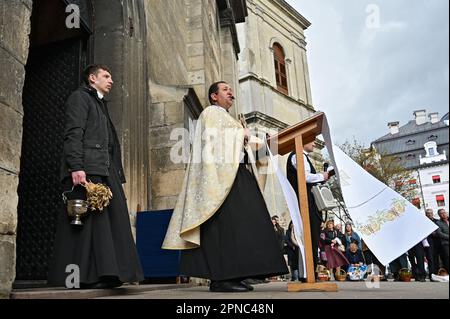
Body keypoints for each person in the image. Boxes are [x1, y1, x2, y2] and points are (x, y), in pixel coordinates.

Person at [162, 81, 288, 292]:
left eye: (231, 89)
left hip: (237, 174)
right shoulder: (211, 113)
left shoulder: (229, 119)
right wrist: (242, 135)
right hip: (222, 179)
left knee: (245, 224)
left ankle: (240, 273)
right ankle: (222, 278)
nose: (231, 92)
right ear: (213, 96)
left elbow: (241, 148)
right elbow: (214, 142)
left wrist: (260, 145)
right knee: (228, 227)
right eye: (225, 89)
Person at [48, 64, 144, 289]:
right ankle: (86, 276)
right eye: (106, 76)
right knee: (88, 223)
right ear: (92, 78)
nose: (111, 80)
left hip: (104, 169)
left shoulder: (100, 104)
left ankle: (109, 273)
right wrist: (76, 166)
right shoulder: (79, 98)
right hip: (88, 169)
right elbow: (74, 132)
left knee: (109, 222)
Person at [286, 141, 329, 276]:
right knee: (309, 237)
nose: (314, 144)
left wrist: (322, 178)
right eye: (312, 140)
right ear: (303, 141)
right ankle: (308, 274)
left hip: (310, 203)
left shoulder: (302, 156)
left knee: (313, 237)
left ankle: (310, 273)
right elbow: (304, 177)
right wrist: (322, 176)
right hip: (306, 203)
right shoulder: (297, 155)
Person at [436, 208, 449, 273]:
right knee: (447, 258)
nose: (444, 214)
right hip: (445, 244)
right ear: (439, 215)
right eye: (441, 213)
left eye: (444, 212)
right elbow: (439, 233)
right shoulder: (438, 223)